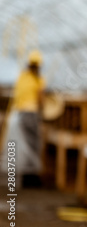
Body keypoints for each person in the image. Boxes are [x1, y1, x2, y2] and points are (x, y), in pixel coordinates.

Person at [9, 50, 46, 187]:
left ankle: (26, 175)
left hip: (20, 114)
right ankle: (32, 177)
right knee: (34, 144)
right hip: (31, 114)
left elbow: (17, 95)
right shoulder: (37, 79)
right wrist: (44, 111)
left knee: (26, 143)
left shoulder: (22, 77)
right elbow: (40, 98)